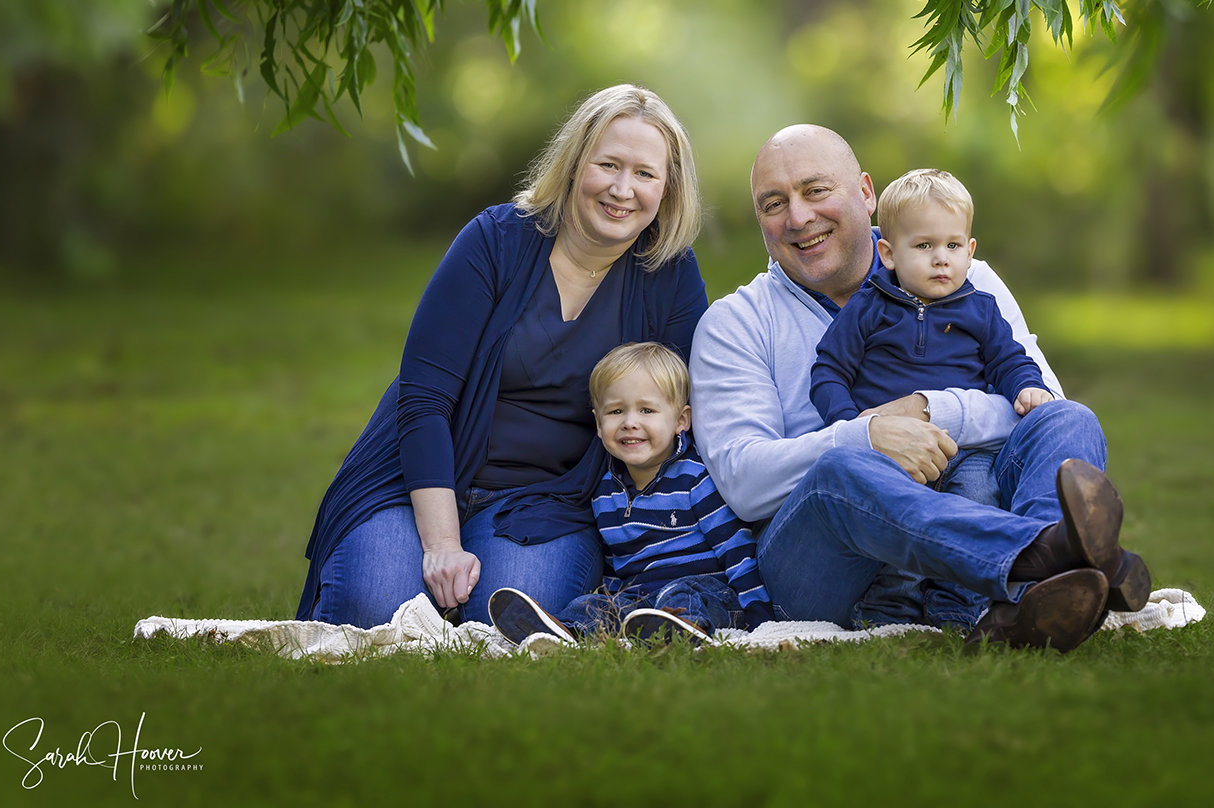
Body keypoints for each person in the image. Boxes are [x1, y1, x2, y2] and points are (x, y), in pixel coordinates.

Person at [690, 125, 1150, 653]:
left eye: (816, 190)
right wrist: (866, 436)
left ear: (867, 194)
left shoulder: (963, 277)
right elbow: (744, 481)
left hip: (966, 487)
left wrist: (930, 411)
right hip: (824, 570)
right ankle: (1044, 559)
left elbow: (1039, 402)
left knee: (1070, 420)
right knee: (843, 470)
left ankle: (1039, 598)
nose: (797, 217)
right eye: (774, 204)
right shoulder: (735, 323)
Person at [296, 85, 708, 628]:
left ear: (667, 188)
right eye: (607, 164)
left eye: (645, 174)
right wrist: (441, 543)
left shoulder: (670, 276)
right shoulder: (496, 240)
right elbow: (423, 400)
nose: (622, 189)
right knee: (373, 608)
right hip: (417, 477)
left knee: (504, 620)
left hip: (548, 504)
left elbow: (681, 419)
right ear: (574, 163)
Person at [807, 167, 1057, 629]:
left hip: (968, 452)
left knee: (977, 501)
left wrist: (1027, 388)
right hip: (894, 449)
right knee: (898, 517)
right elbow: (828, 372)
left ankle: (958, 605)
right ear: (888, 253)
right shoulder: (869, 307)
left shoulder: (980, 308)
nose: (941, 259)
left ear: (970, 250)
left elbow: (1009, 359)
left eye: (953, 246)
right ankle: (891, 607)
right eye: (923, 246)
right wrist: (854, 426)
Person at [488, 342, 771, 652]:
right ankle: (564, 632)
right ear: (598, 424)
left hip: (710, 596)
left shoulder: (696, 479)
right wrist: (609, 603)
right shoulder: (605, 494)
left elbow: (737, 551)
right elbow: (617, 566)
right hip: (643, 600)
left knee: (681, 593)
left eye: (646, 410)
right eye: (616, 411)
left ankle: (684, 631)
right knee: (593, 603)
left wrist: (758, 614)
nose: (629, 422)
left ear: (681, 420)